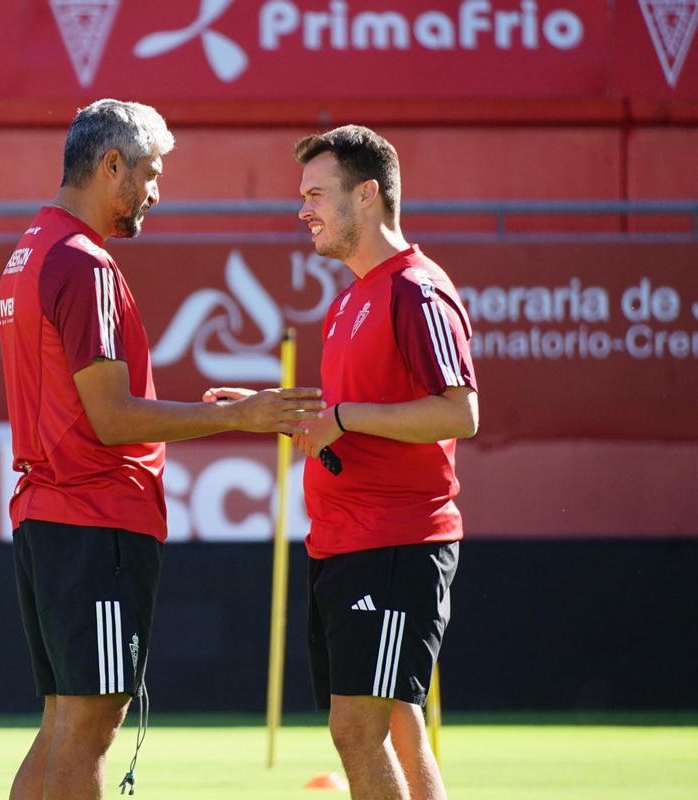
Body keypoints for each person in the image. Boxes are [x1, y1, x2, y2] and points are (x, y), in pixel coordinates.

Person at [0, 98, 325, 800]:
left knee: (64, 720)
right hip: (95, 518)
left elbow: (95, 410)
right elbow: (112, 421)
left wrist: (220, 412)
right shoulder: (83, 264)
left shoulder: (33, 251)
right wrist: (248, 416)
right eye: (151, 171)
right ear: (111, 164)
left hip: (52, 513)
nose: (156, 190)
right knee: (89, 720)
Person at [293, 125, 479, 799]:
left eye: (318, 193)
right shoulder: (347, 301)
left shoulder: (416, 290)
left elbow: (460, 412)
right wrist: (281, 414)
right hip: (345, 542)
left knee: (356, 728)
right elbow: (357, 421)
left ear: (367, 196)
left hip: (396, 543)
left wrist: (344, 419)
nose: (304, 209)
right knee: (396, 722)